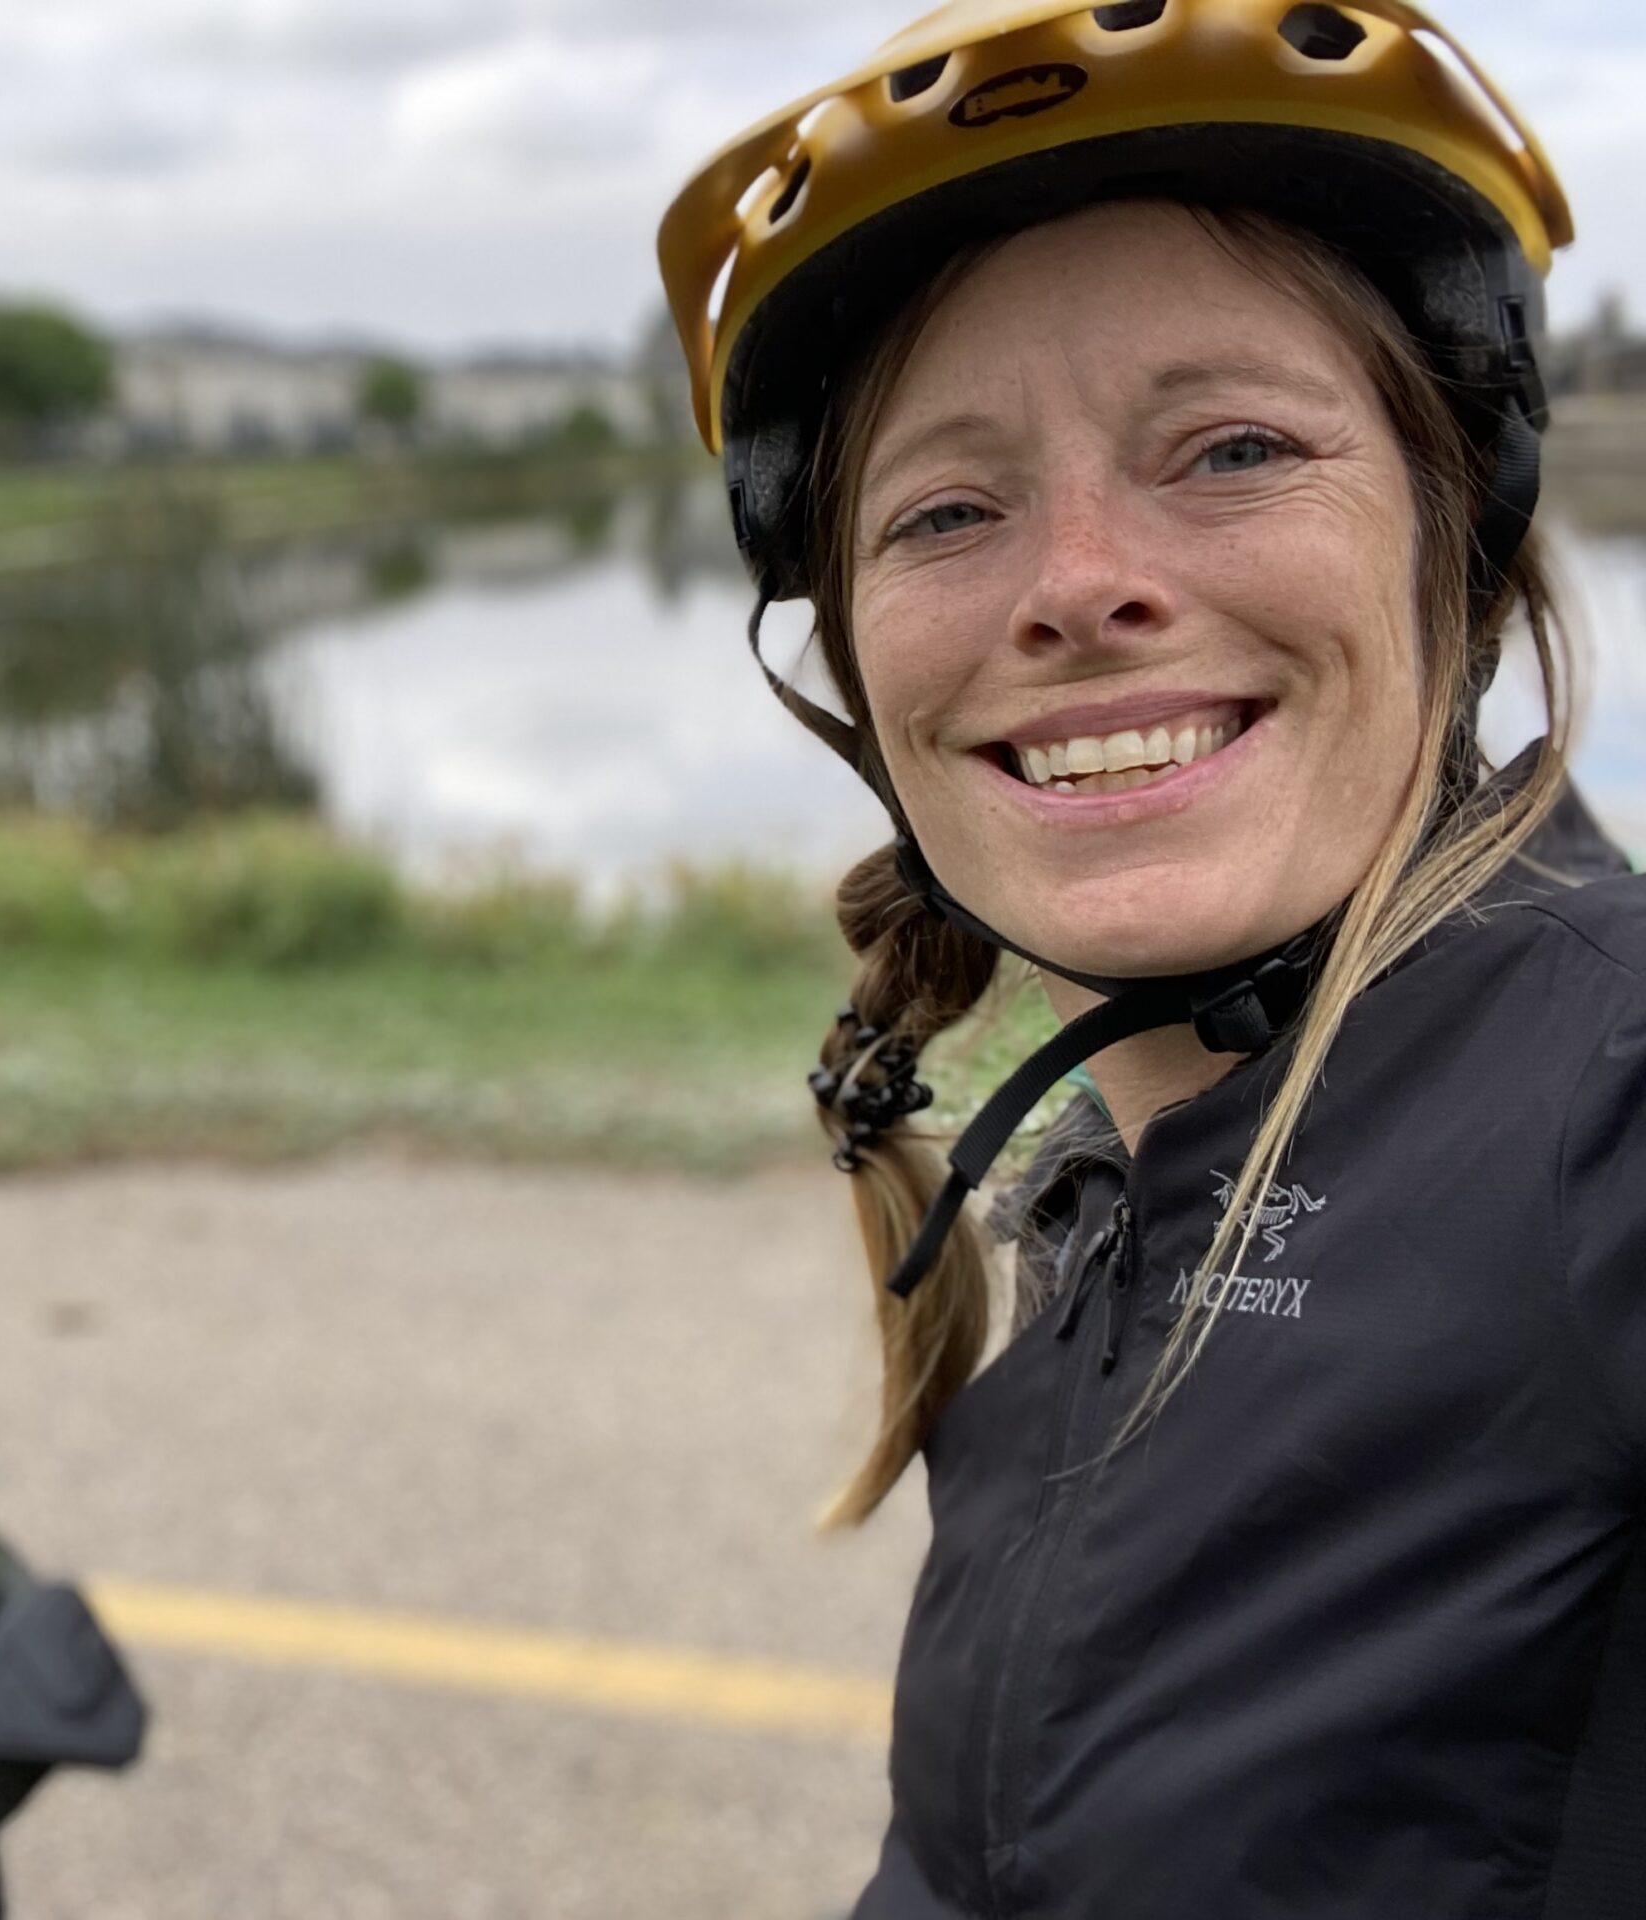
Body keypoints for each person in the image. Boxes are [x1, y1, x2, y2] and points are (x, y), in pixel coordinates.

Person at [656, 2, 1645, 1914]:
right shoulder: (1114, 1186)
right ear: (858, 664)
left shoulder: (1604, 1099)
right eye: (949, 508)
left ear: (1457, 536)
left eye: (1233, 448)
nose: (1077, 580)